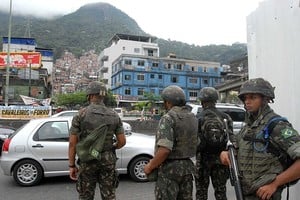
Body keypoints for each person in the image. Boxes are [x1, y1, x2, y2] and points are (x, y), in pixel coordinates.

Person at [220, 77, 300, 200]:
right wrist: (226, 154)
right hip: (244, 193)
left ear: (265, 99)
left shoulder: (276, 125)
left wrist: (275, 184)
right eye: (245, 98)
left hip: (266, 196)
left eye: (253, 97)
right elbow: (237, 148)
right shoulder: (248, 127)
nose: (247, 101)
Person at [68, 81, 126, 200]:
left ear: (90, 95)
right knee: (109, 195)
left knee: (86, 196)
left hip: (87, 160)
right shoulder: (114, 115)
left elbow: (72, 144)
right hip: (108, 160)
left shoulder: (81, 114)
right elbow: (122, 141)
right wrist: (112, 147)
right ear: (103, 95)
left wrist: (72, 165)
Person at [144, 85, 198, 200]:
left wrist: (150, 165)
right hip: (188, 168)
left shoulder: (168, 118)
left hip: (170, 170)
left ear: (168, 102)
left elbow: (164, 150)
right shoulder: (192, 117)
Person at [195, 87, 233, 200]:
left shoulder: (198, 118)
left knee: (201, 192)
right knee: (221, 191)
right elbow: (230, 138)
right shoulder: (225, 117)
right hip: (221, 159)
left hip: (203, 160)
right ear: (216, 100)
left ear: (201, 101)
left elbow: (194, 141)